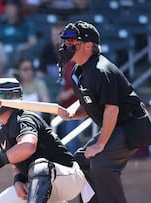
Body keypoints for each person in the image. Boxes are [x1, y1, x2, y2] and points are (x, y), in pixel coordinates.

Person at [57, 20, 151, 203]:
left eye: (73, 41)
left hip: (133, 127)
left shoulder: (102, 70)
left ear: (88, 45)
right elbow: (87, 102)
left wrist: (100, 145)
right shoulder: (78, 72)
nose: (67, 45)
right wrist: (70, 113)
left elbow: (111, 109)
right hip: (117, 126)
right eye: (66, 42)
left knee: (101, 165)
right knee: (80, 162)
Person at [0, 77, 86, 203]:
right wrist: (18, 180)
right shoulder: (2, 133)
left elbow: (28, 146)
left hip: (68, 177)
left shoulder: (24, 118)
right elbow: (16, 162)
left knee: (40, 167)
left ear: (9, 98)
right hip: (39, 183)